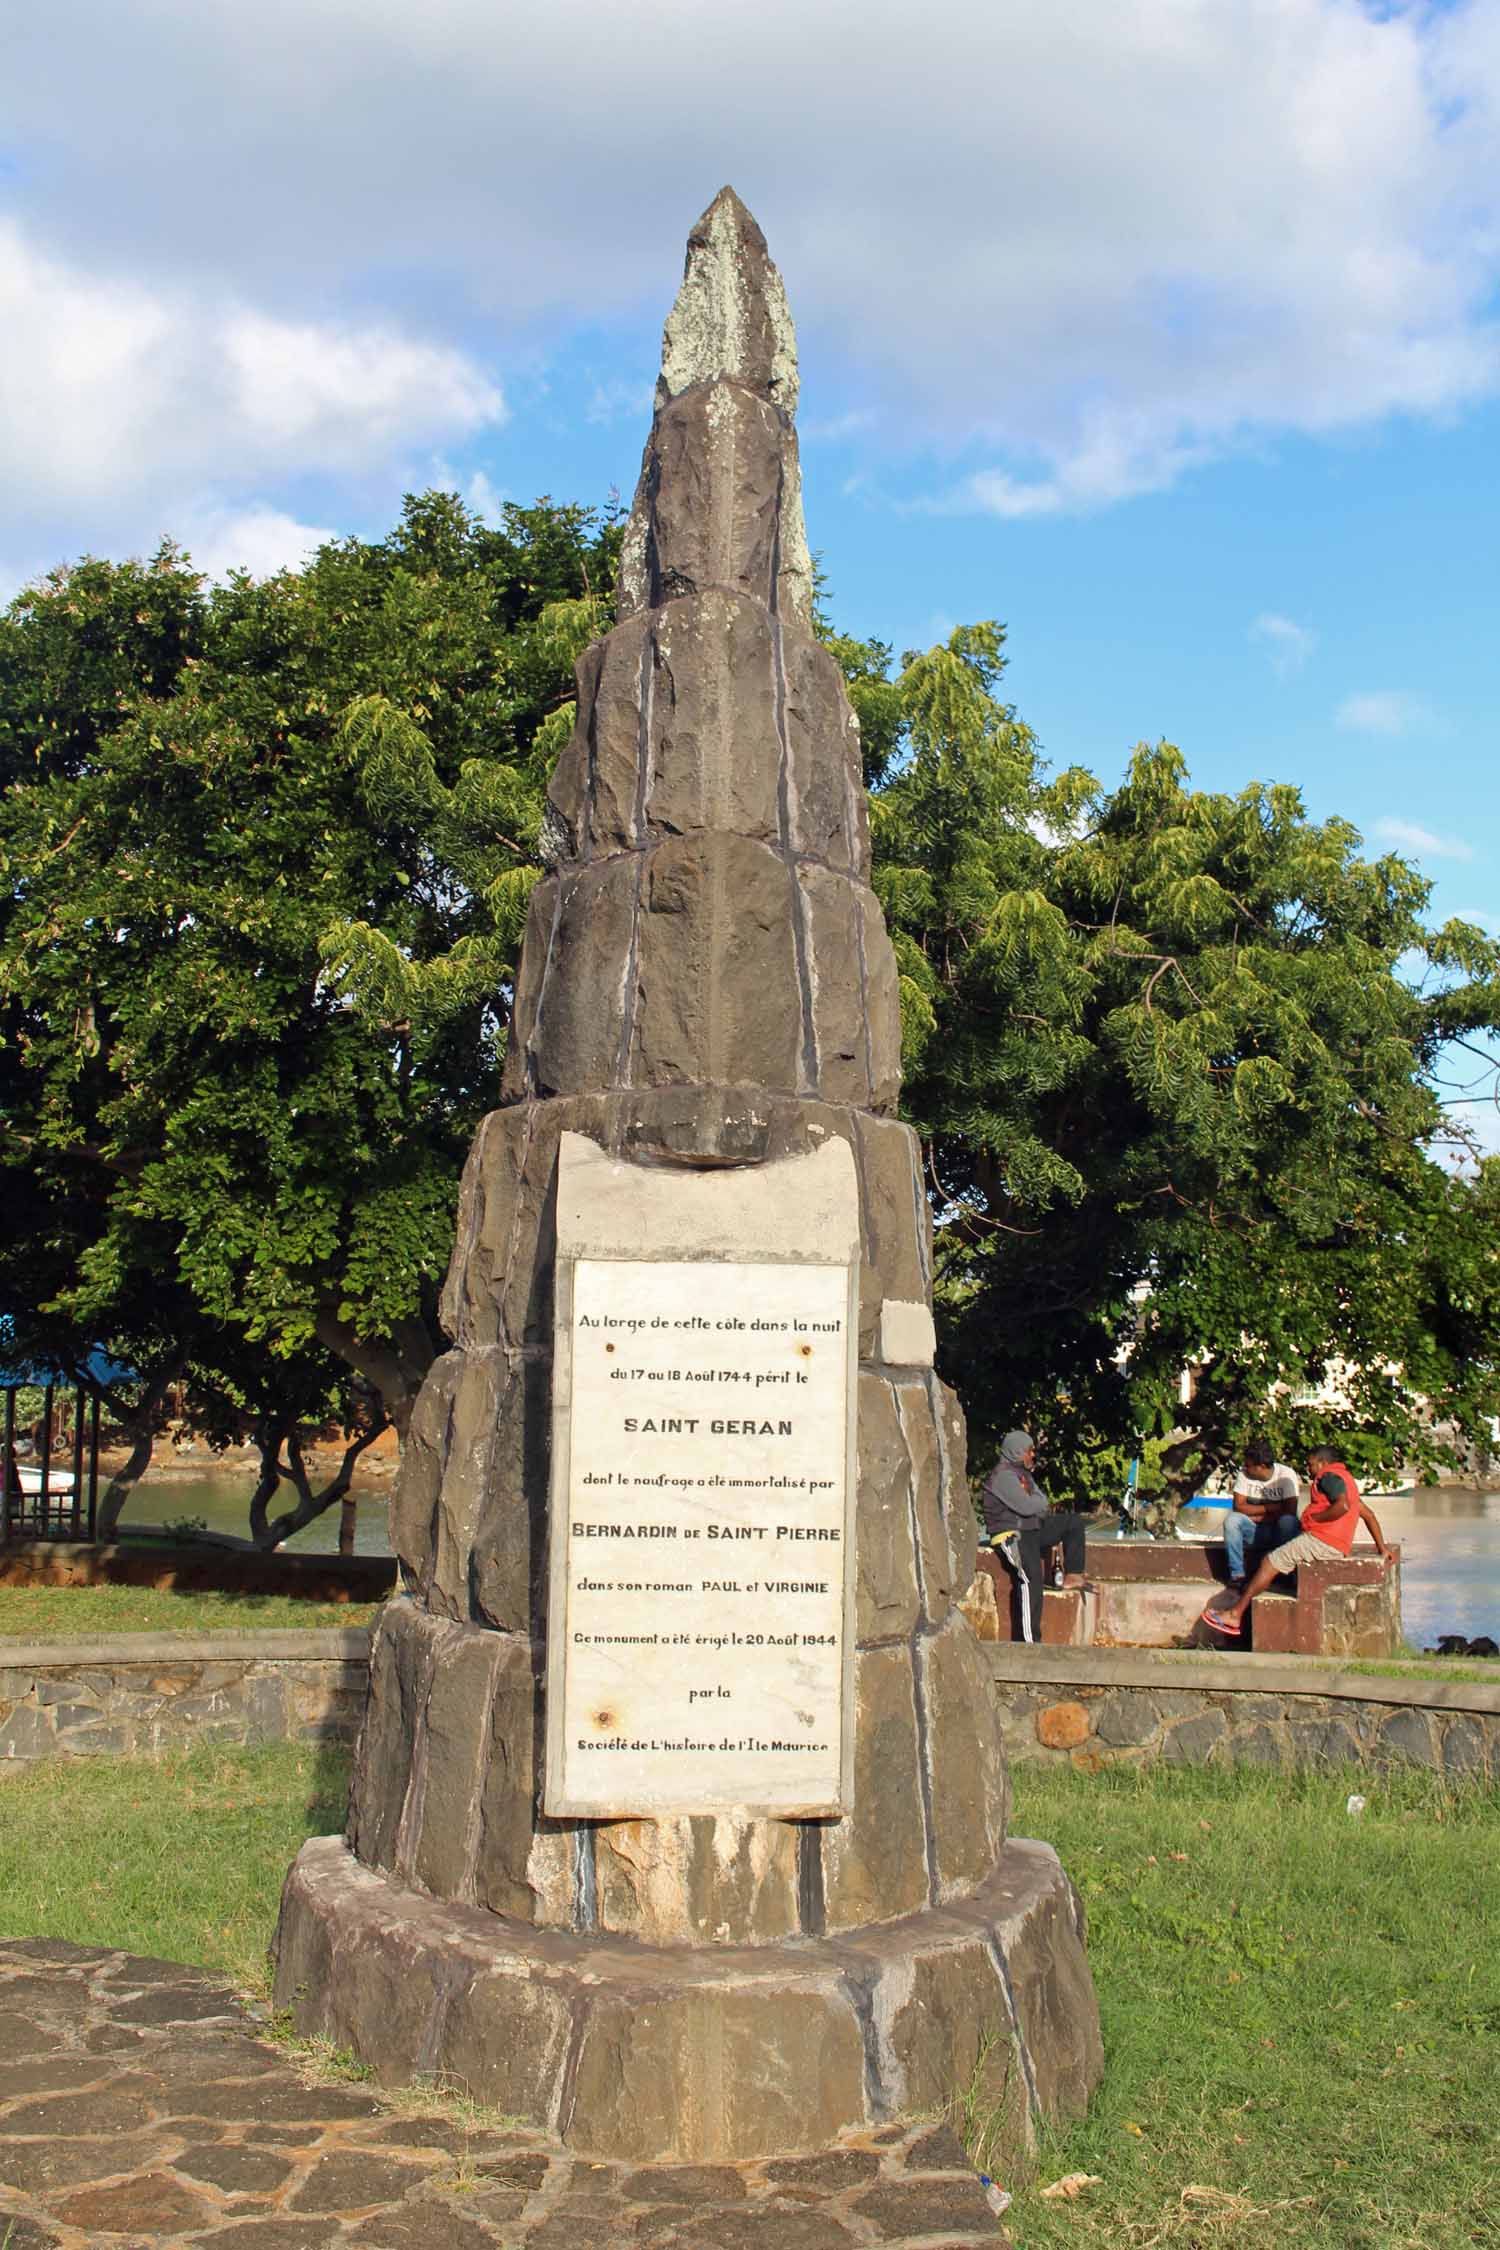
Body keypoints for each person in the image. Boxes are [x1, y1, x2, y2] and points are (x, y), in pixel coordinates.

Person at [1203, 1445, 1386, 1637]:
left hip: (1323, 1540)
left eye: (1311, 1464)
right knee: (1273, 1558)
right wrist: (1382, 1549)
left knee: (1269, 1562)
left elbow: (1343, 1506)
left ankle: (1234, 1615)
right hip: (1336, 1543)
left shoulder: (1328, 1477)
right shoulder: (1347, 1481)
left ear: (1322, 1463)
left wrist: (1316, 1519)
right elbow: (1369, 1515)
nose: (1308, 1468)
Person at [981, 1430, 1092, 1644]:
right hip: (1012, 1534)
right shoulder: (1003, 1476)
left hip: (1032, 1528)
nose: (1032, 1455)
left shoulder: (1024, 1474)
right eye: (1029, 1451)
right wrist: (1033, 1502)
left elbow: (1042, 1503)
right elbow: (1026, 1506)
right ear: (1017, 1451)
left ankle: (1074, 1574)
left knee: (1073, 1523)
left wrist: (1034, 1502)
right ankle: (1029, 1642)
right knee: (1030, 1578)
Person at [1222, 1437, 1301, 1588]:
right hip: (1256, 1530)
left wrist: (1255, 1514)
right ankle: (1237, 1575)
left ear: (1261, 1466)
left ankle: (1285, 1572)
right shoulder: (1244, 1475)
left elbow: (1289, 1511)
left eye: (1249, 1465)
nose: (1245, 1468)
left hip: (1280, 1532)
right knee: (1232, 1520)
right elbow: (1238, 1507)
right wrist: (1270, 1509)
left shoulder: (1286, 1475)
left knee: (1288, 1522)